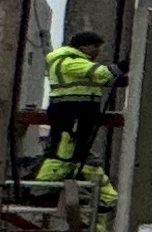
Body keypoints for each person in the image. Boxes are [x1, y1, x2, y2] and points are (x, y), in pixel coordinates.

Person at [42, 30, 114, 180]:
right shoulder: (71, 61)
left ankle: (53, 185)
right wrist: (127, 65)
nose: (98, 50)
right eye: (95, 46)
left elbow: (103, 80)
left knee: (74, 152)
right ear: (83, 47)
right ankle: (44, 186)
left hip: (76, 113)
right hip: (72, 112)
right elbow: (103, 73)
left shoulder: (74, 63)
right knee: (63, 153)